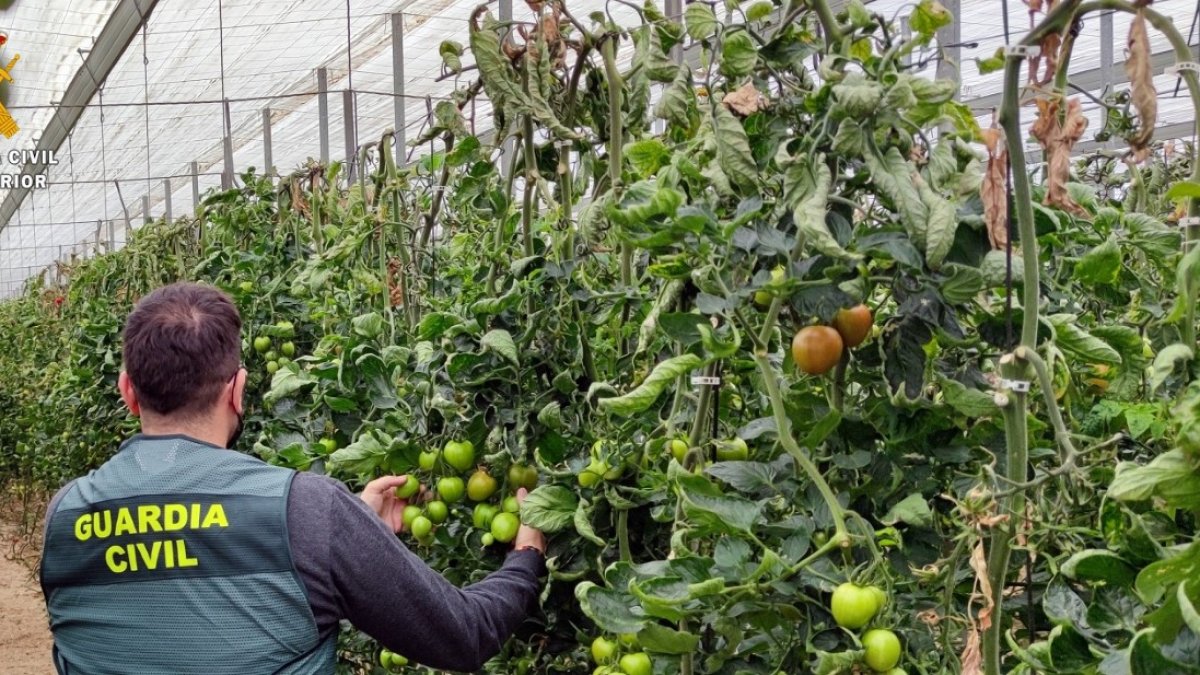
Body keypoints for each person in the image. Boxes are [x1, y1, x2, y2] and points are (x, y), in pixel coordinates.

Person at [39, 282, 547, 674]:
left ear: (127, 392)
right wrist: (526, 555)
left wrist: (348, 529)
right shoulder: (306, 511)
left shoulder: (63, 516)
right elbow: (464, 635)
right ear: (238, 390)